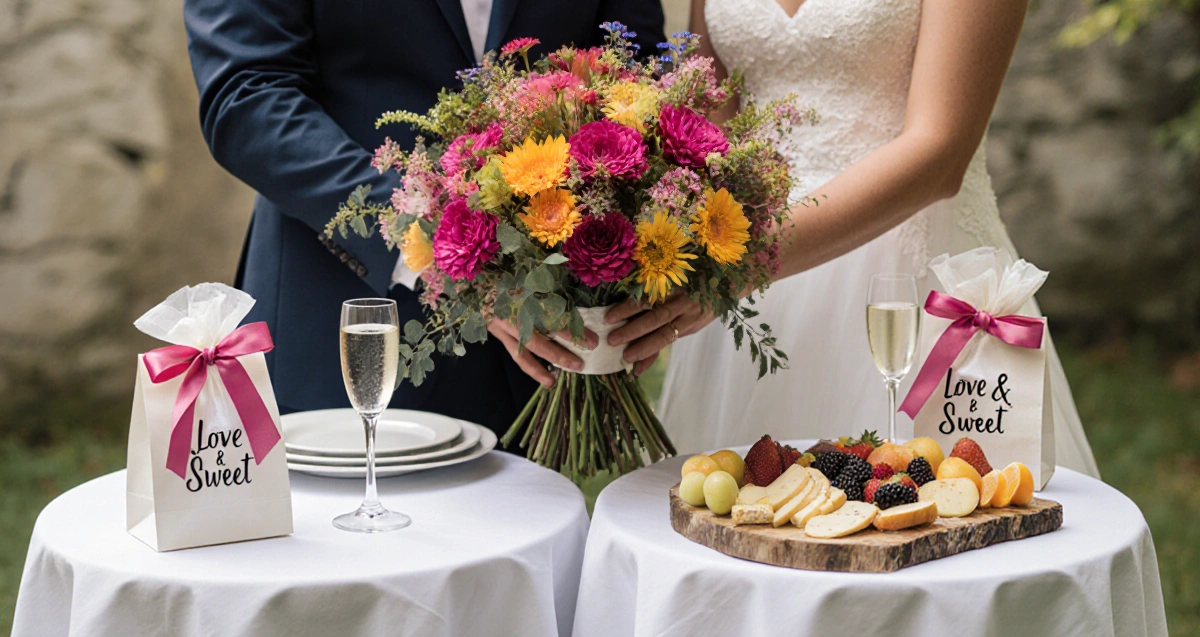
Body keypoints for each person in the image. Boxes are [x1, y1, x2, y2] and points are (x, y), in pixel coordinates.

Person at [606, 0, 1101, 476]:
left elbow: (941, 155)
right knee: (736, 530)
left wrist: (745, 263)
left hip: (902, 283)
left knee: (932, 519)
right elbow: (712, 116)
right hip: (743, 305)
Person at [183, 0, 665, 436]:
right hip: (344, 337)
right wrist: (436, 236)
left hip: (542, 362)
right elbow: (246, 96)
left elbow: (641, 71)